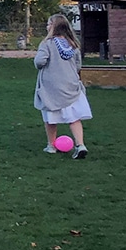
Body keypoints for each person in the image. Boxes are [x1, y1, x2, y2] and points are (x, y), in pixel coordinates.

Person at [35, 13, 91, 159]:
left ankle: (51, 146)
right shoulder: (73, 44)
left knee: (50, 117)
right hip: (71, 87)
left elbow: (39, 62)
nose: (47, 26)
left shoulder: (47, 44)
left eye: (49, 24)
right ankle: (80, 145)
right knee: (74, 117)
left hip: (51, 88)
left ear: (54, 27)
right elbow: (78, 65)